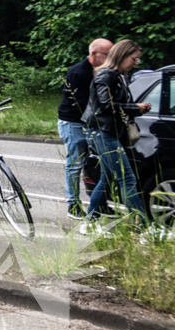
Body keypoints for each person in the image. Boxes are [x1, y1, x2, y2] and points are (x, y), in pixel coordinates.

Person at [81, 39, 152, 229]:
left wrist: (134, 109)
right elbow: (105, 105)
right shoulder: (106, 75)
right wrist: (135, 108)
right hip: (102, 132)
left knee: (107, 179)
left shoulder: (119, 76)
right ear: (122, 55)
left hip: (108, 131)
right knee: (126, 178)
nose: (136, 64)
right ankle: (142, 226)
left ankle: (89, 223)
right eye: (134, 59)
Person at [57, 38, 112, 219]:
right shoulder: (78, 73)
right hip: (73, 123)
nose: (111, 58)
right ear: (95, 54)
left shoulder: (105, 71)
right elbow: (82, 105)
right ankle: (73, 204)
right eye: (107, 54)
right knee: (75, 164)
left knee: (98, 163)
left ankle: (99, 203)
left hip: (92, 123)